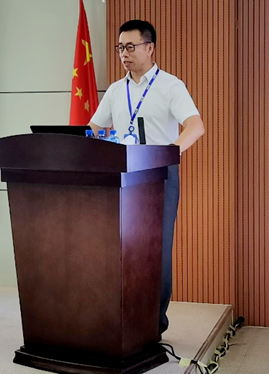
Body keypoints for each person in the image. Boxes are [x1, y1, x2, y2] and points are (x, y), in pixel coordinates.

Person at [89, 19, 205, 336]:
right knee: (122, 249)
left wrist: (166, 153)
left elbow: (196, 126)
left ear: (150, 47)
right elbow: (94, 129)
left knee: (157, 251)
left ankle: (154, 326)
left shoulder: (170, 86)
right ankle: (123, 321)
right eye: (120, 48)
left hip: (158, 176)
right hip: (121, 177)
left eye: (131, 46)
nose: (124, 54)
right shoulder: (116, 90)